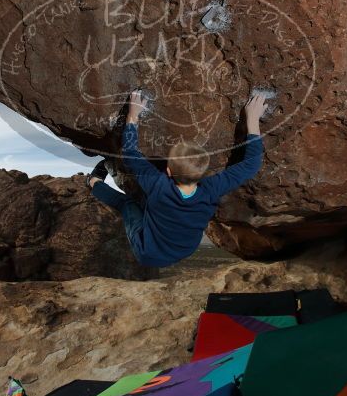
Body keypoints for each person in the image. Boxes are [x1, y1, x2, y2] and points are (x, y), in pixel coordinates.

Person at [87, 90, 267, 267]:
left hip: (147, 252)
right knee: (146, 205)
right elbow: (251, 165)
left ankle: (93, 181)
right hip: (183, 250)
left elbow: (130, 153)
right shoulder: (211, 189)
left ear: (168, 171)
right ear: (202, 173)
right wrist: (252, 119)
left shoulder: (158, 185)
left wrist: (133, 113)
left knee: (127, 204)